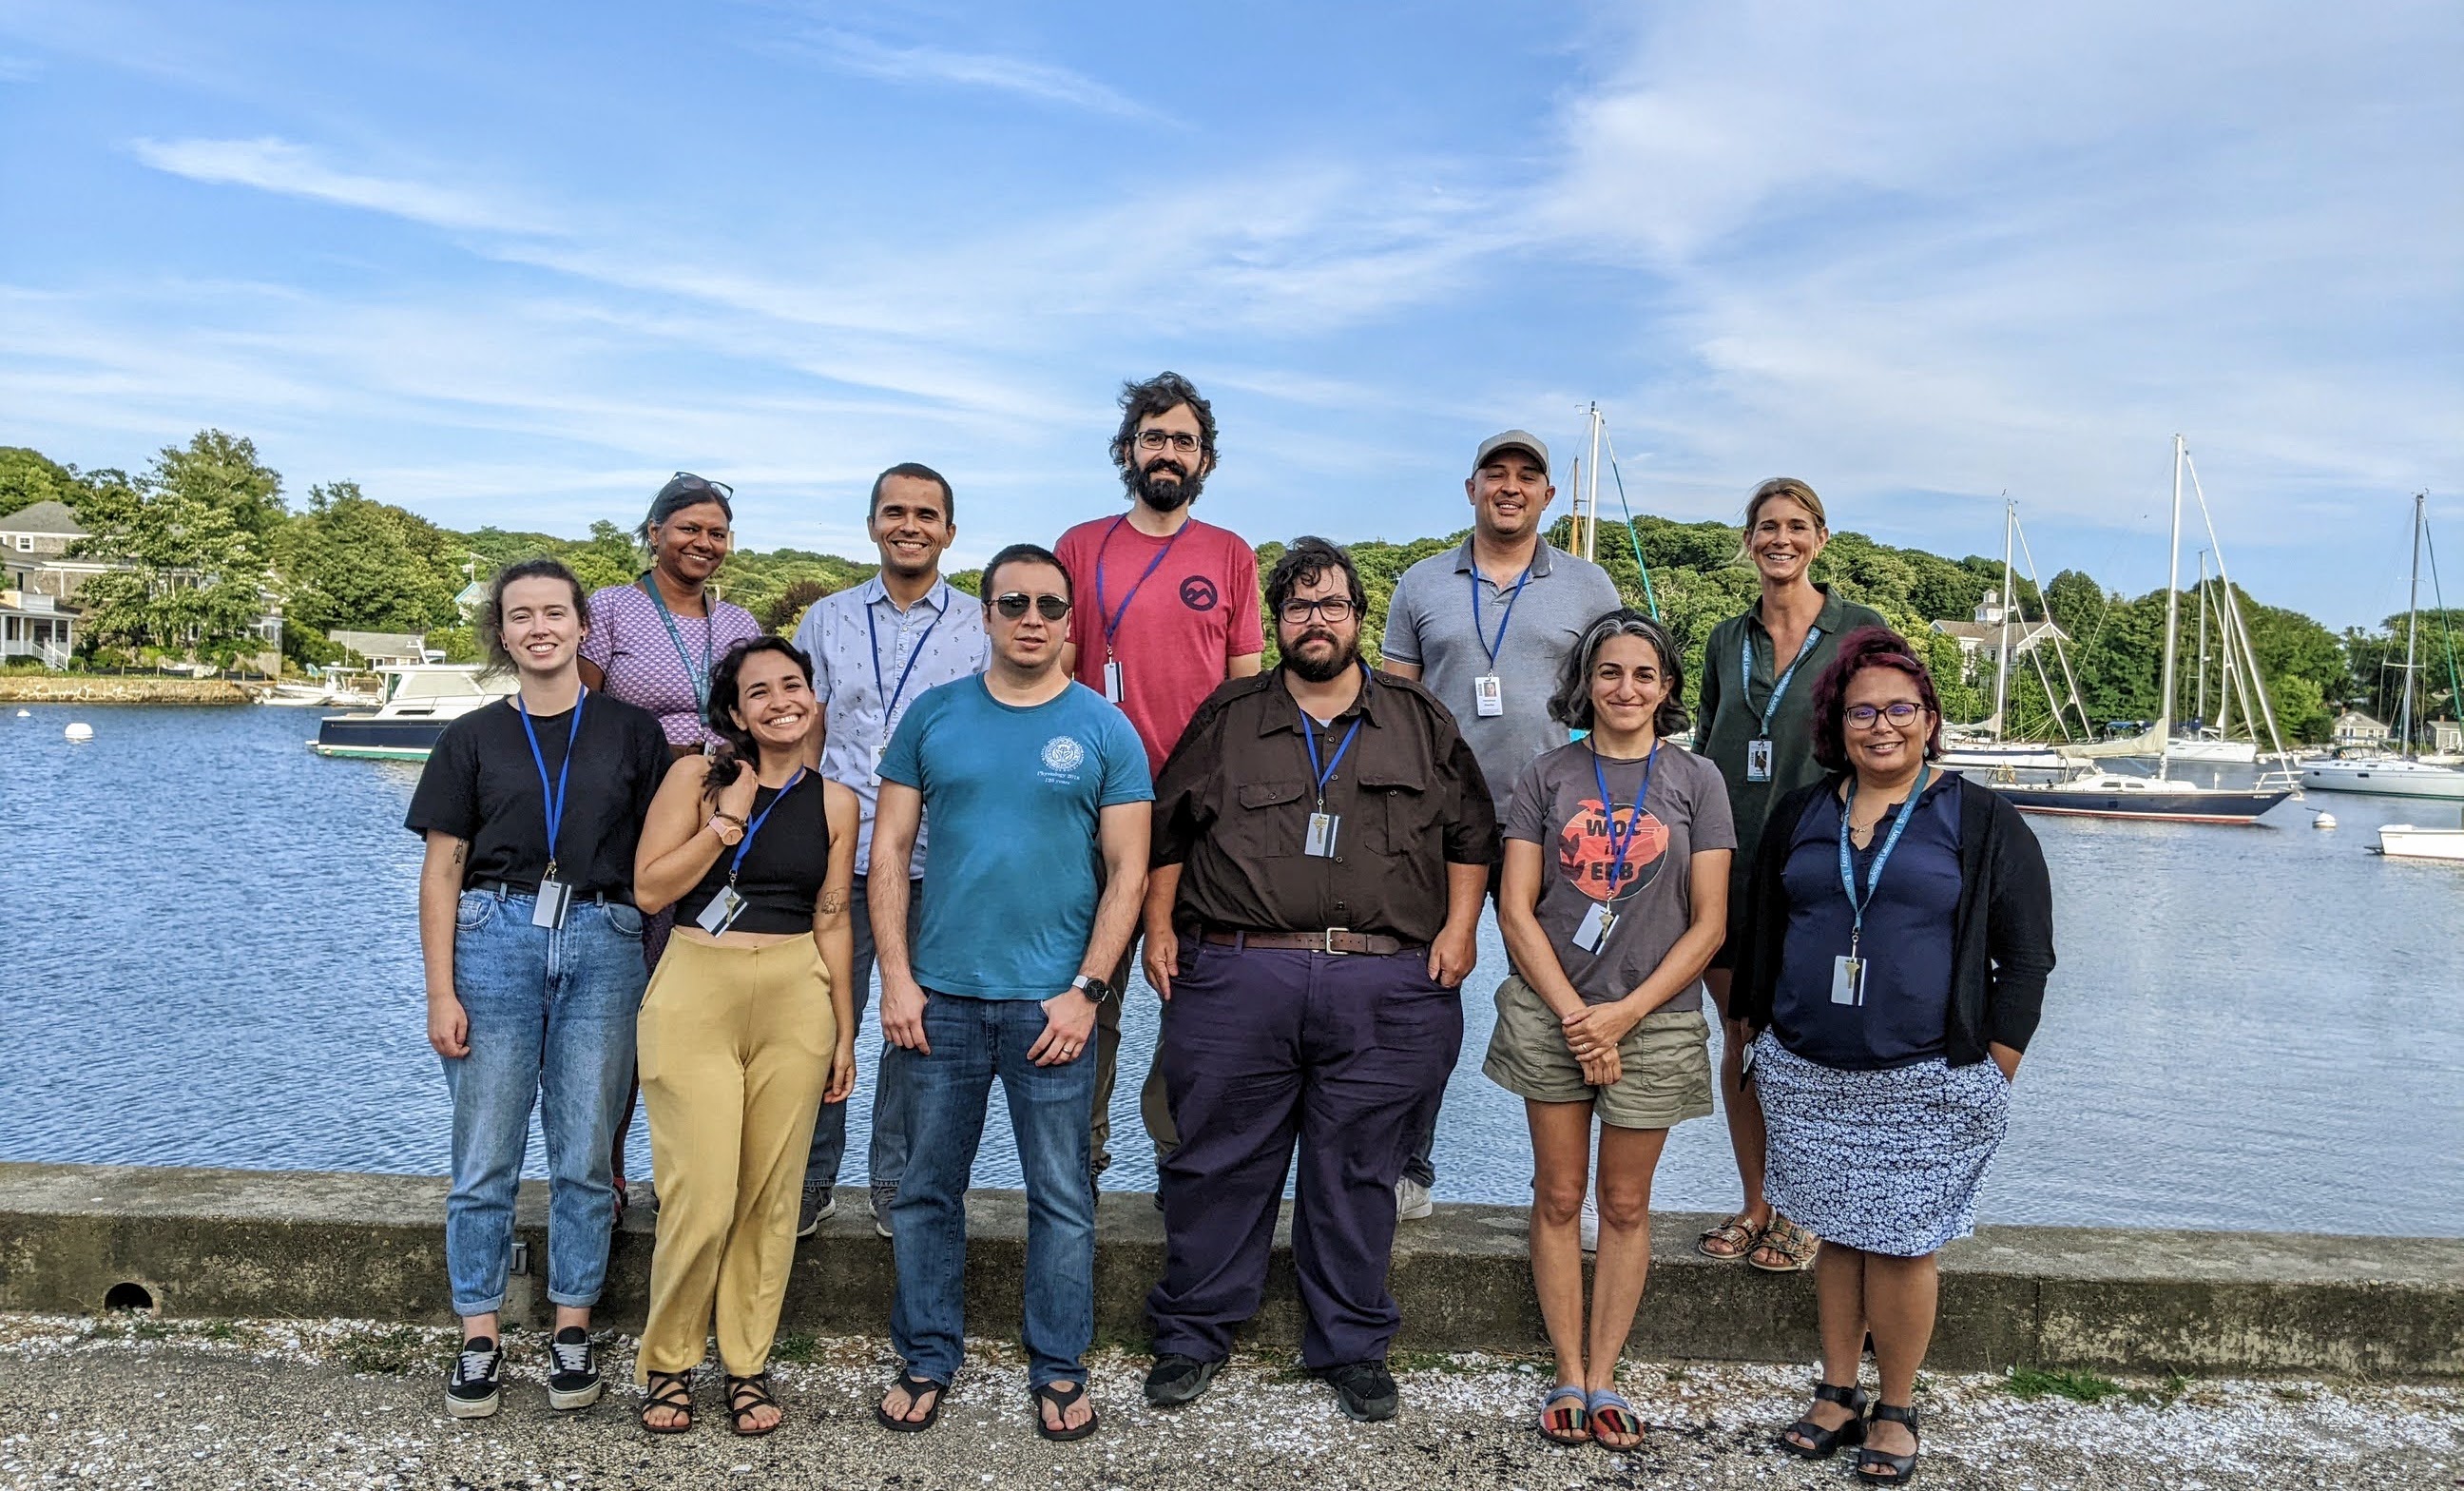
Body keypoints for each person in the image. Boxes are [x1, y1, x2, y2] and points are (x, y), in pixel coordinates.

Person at [1141, 537, 1496, 1423]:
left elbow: (1470, 838)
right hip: (1239, 973)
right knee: (1217, 1162)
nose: (1316, 621)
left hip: (1385, 982)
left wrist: (1458, 932)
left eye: (1332, 604)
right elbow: (1169, 834)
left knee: (1359, 1171)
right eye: (1298, 607)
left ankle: (1351, 1345)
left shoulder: (1420, 720)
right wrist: (1156, 932)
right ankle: (1193, 1334)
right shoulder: (1228, 715)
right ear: (1276, 619)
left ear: (1358, 617)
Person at [1732, 627, 2053, 1485]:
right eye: (1861, 711)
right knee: (1837, 1234)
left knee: (1906, 1244)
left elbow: (2026, 957)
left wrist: (1995, 1066)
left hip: (1928, 1077)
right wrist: (1753, 1029)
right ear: (1836, 725)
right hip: (1808, 1070)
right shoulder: (1803, 813)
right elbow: (1762, 928)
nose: (1881, 727)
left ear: (1930, 718)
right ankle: (1837, 1392)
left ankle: (1898, 1405)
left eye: (1899, 709)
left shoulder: (1980, 817)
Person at [871, 543, 1151, 1443]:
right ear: (985, 615)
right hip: (940, 1002)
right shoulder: (932, 716)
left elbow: (1129, 874)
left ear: (1071, 621)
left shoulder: (1106, 729)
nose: (1032, 619)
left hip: (1053, 1011)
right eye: (1013, 603)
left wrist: (1087, 994)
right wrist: (897, 981)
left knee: (1062, 1196)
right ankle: (925, 1355)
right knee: (925, 1191)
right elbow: (886, 857)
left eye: (1050, 607)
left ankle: (1060, 1365)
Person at [406, 558, 672, 1420]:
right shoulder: (472, 737)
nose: (539, 627)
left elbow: (662, 858)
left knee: (586, 1150)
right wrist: (440, 990)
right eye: (520, 616)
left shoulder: (632, 733)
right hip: (494, 940)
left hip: (604, 937)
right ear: (503, 633)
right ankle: (479, 1331)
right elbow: (441, 873)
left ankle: (571, 1324)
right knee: (485, 1149)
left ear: (584, 626)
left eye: (555, 612)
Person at [1485, 610, 1733, 1450]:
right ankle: (1564, 1370)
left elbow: (1709, 926)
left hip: (1653, 1022)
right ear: (1585, 682)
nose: (1626, 689)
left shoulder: (1697, 781)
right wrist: (1574, 1017)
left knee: (1626, 1203)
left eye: (1644, 675)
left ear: (1666, 690)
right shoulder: (1545, 774)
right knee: (1558, 1195)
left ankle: (1604, 1375)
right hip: (1554, 1012)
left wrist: (1622, 1016)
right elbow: (1515, 911)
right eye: (1610, 673)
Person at [1379, 430, 1621, 1220]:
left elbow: (1616, 696)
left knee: (1564, 994)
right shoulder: (1420, 583)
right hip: (1436, 824)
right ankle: (1405, 1168)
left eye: (1528, 476)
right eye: (1496, 473)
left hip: (1553, 821)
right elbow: (1392, 709)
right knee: (1416, 991)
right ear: (1471, 486)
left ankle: (1563, 1191)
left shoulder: (1589, 586)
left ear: (1549, 495)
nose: (1510, 487)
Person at [628, 636, 860, 1437]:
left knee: (770, 1197)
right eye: (758, 692)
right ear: (734, 713)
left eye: (792, 685)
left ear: (812, 698)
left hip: (797, 990)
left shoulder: (837, 803)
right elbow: (650, 885)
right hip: (697, 981)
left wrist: (845, 1033)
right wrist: (725, 824)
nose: (780, 702)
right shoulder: (699, 776)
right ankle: (667, 1363)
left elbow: (834, 916)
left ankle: (747, 1366)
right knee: (702, 1192)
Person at [1052, 372, 1264, 1183]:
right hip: (1093, 806)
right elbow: (1056, 678)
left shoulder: (1231, 555)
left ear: (1204, 457)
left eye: (1183, 440)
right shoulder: (1079, 546)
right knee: (1086, 989)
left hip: (1200, 816)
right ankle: (1078, 1162)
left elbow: (1245, 693)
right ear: (1128, 449)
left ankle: (1180, 1162)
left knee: (1196, 1000)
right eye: (1153, 437)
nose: (1167, 452)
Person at [1692, 477, 1889, 1272]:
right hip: (1728, 866)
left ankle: (1807, 1210)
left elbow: (1888, 739)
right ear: (1749, 540)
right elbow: (1706, 753)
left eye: (1796, 526)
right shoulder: (1721, 639)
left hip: (1821, 863)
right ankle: (1756, 1204)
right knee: (1739, 1036)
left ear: (1821, 538)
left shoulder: (1860, 632)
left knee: (1804, 1040)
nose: (1781, 539)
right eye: (1767, 526)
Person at [790, 463, 990, 1239]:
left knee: (916, 1026)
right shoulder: (827, 620)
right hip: (838, 854)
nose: (910, 525)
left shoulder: (981, 625)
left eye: (927, 514)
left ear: (949, 530)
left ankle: (897, 1180)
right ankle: (809, 1177)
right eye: (895, 511)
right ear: (872, 523)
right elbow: (804, 729)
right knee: (819, 1019)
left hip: (936, 862)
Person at [578, 472, 766, 1217]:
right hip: (636, 817)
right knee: (629, 1002)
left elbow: (760, 711)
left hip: (720, 820)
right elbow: (584, 718)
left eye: (717, 532)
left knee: (704, 1003)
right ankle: (608, 1172)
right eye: (688, 528)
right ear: (653, 532)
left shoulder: (740, 621)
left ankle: (694, 1175)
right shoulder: (613, 610)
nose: (703, 543)